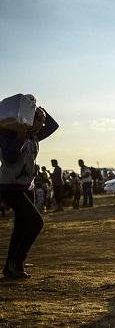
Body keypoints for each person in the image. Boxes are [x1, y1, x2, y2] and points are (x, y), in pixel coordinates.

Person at [0, 105, 59, 279]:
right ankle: (16, 261)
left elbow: (53, 125)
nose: (42, 124)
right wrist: (19, 133)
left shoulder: (35, 136)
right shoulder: (8, 134)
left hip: (28, 187)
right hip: (10, 187)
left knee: (20, 227)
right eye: (39, 120)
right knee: (36, 222)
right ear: (28, 119)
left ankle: (10, 268)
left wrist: (34, 107)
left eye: (42, 120)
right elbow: (9, 157)